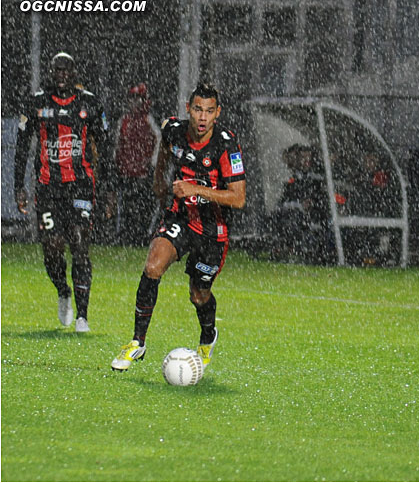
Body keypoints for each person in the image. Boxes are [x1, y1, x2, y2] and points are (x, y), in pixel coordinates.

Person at [111, 83, 246, 371]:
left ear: (217, 113)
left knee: (198, 294)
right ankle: (137, 343)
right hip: (181, 218)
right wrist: (160, 178)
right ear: (188, 108)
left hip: (212, 229)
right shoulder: (174, 130)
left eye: (209, 111)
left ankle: (209, 334)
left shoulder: (225, 144)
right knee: (152, 267)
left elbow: (238, 198)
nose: (202, 117)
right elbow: (165, 148)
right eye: (198, 109)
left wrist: (195, 188)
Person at [14, 52, 111, 333]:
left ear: (75, 73)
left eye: (67, 70)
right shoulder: (36, 102)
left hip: (80, 183)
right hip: (47, 188)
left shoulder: (89, 103)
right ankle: (63, 290)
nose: (62, 75)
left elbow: (104, 148)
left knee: (80, 243)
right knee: (53, 247)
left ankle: (83, 315)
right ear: (51, 72)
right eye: (57, 70)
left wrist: (107, 190)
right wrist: (19, 186)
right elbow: (22, 147)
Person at [113, 82, 161, 246]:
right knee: (126, 206)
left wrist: (152, 165)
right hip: (126, 173)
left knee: (144, 207)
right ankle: (125, 236)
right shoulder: (124, 120)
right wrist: (118, 165)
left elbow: (158, 142)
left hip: (143, 173)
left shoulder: (149, 120)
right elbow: (118, 145)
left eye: (137, 98)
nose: (134, 102)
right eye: (132, 98)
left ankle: (143, 236)